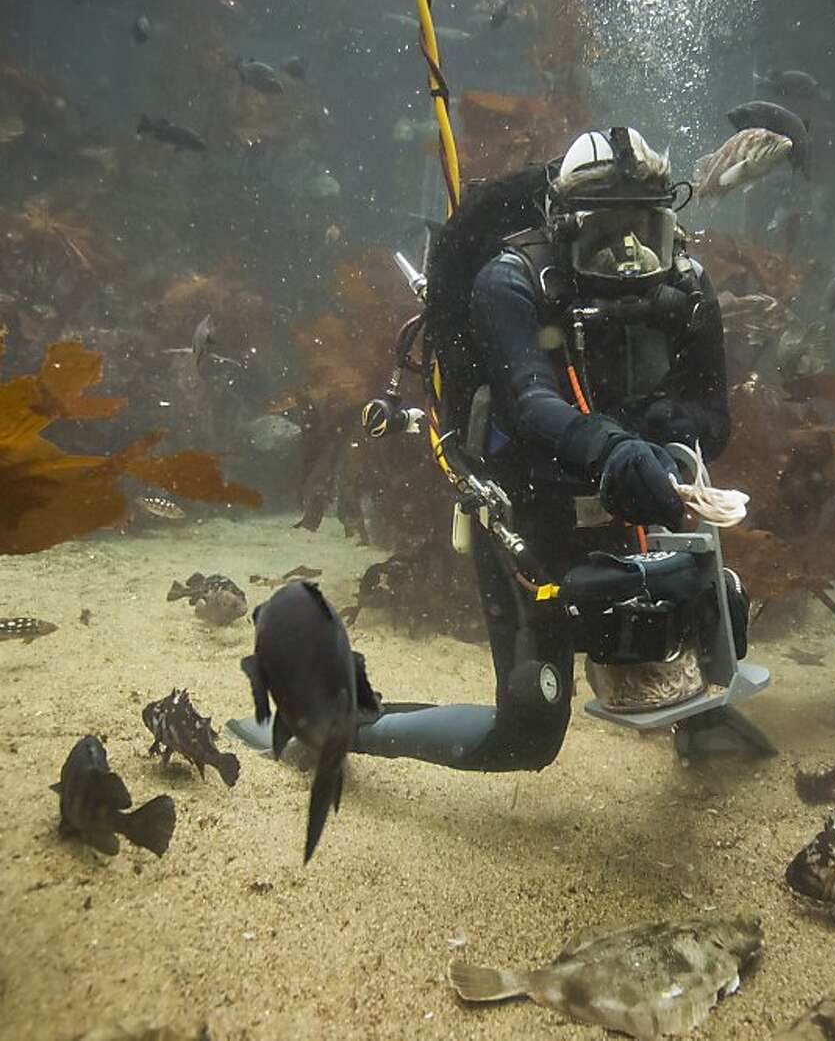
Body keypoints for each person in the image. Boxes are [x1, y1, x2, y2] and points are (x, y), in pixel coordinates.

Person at [234, 127, 737, 771]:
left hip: (639, 495)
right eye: (606, 234)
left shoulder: (687, 286)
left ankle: (703, 724)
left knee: (696, 624)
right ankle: (338, 724)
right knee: (526, 734)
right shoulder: (511, 280)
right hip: (527, 504)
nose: (629, 256)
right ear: (564, 225)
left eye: (645, 230)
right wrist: (614, 449)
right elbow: (530, 401)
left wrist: (663, 437)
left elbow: (714, 417)